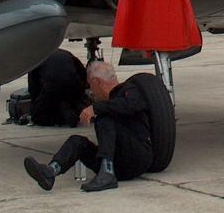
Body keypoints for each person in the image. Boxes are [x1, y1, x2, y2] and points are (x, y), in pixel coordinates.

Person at [23, 61, 153, 192]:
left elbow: (131, 105)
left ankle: (107, 172)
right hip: (118, 163)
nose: (91, 91)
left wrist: (96, 108)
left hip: (135, 158)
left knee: (104, 117)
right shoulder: (108, 103)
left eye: (91, 85)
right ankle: (50, 172)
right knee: (77, 142)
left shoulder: (129, 90)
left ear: (97, 82)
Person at [27, 48, 89, 127]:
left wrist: (35, 106)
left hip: (52, 88)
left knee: (38, 117)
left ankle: (62, 115)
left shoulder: (37, 59)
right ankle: (73, 109)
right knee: (74, 100)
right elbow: (82, 71)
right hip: (73, 85)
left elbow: (33, 87)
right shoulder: (66, 53)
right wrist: (83, 89)